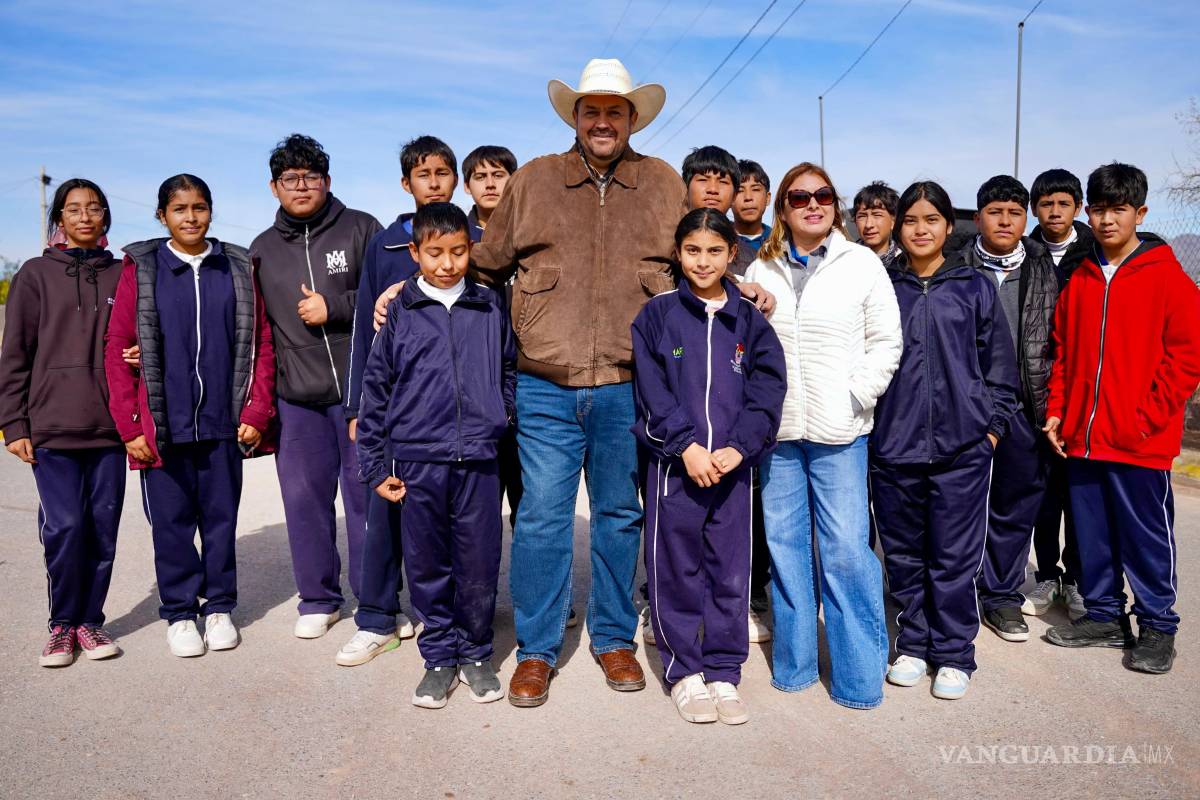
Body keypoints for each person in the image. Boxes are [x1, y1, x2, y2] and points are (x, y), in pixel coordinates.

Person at [743, 163, 902, 709]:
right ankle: (794, 667)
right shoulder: (760, 269)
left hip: (840, 432)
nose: (814, 204)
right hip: (781, 434)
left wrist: (858, 394)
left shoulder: (861, 264)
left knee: (845, 553)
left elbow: (887, 340)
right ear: (782, 209)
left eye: (824, 195)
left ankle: (858, 677)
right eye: (800, 197)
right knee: (786, 551)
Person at [104, 174, 276, 658]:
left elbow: (261, 342)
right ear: (162, 216)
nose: (191, 217)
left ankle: (219, 607)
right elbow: (117, 348)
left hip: (224, 420)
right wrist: (131, 426)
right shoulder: (142, 267)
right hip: (164, 422)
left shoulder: (237, 266)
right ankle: (180, 612)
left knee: (220, 519)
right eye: (180, 209)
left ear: (211, 211)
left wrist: (256, 409)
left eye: (200, 207)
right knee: (172, 523)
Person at [355, 203, 516, 706]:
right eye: (435, 253)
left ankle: (475, 652)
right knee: (427, 563)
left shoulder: (489, 306)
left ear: (471, 249)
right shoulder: (400, 311)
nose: (447, 264)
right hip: (419, 459)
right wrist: (375, 465)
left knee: (478, 560)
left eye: (458, 252)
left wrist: (500, 413)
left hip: (479, 460)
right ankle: (439, 655)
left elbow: (508, 368)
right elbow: (376, 388)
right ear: (415, 252)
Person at [1044, 162, 1200, 675]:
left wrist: (1147, 417)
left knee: (1146, 536)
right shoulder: (1082, 278)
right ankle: (1106, 616)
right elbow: (1064, 355)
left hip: (1139, 440)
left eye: (1119, 209)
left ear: (1140, 212)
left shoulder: (1169, 277)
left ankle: (1158, 626)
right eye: (1100, 209)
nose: (1108, 220)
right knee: (1094, 535)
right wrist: (1057, 412)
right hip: (1084, 438)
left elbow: (1186, 359)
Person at [633, 208, 786, 725]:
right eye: (693, 250)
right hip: (678, 469)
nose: (703, 261)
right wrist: (686, 448)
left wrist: (741, 447)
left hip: (732, 468)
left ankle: (723, 670)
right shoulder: (656, 315)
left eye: (714, 250)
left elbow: (767, 390)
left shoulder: (750, 318)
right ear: (678, 253)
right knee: (675, 570)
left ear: (732, 255)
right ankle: (685, 672)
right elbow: (651, 392)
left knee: (729, 570)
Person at [870, 181, 1019, 700]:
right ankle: (914, 644)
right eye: (910, 220)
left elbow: (1000, 365)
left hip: (963, 448)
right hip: (894, 445)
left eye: (931, 220)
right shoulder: (882, 286)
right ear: (897, 226)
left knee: (954, 556)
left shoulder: (973, 286)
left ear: (947, 227)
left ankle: (955, 653)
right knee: (906, 554)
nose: (920, 229)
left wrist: (992, 428)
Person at [250, 134, 383, 640]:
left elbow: (388, 297)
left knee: (366, 498)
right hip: (297, 398)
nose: (301, 186)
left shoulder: (362, 228)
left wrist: (336, 306)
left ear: (327, 181)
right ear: (274, 186)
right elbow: (252, 325)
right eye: (290, 179)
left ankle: (376, 602)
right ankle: (318, 599)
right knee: (304, 500)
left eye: (310, 177)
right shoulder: (262, 248)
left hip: (360, 393)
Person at [340, 134, 459, 660]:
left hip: (458, 406)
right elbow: (365, 332)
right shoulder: (386, 247)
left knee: (458, 514)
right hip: (396, 404)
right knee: (385, 505)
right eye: (423, 175)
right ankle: (377, 616)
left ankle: (449, 614)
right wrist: (358, 407)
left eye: (442, 173)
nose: (433, 184)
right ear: (406, 183)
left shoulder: (472, 238)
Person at [0, 179, 126, 667]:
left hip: (111, 429)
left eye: (94, 208)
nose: (85, 216)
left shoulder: (121, 275)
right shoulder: (34, 274)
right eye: (73, 209)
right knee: (67, 526)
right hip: (51, 427)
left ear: (105, 217)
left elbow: (135, 338)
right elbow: (14, 356)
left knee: (102, 528)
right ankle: (60, 624)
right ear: (60, 218)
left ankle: (90, 622)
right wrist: (14, 422)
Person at [961, 175, 1064, 643]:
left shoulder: (1046, 269)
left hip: (1025, 407)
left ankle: (1001, 597)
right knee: (957, 505)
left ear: (1026, 219)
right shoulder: (956, 264)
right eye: (995, 211)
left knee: (1013, 506)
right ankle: (956, 590)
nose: (1005, 220)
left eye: (1015, 212)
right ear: (979, 216)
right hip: (963, 407)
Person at [1024, 167, 1093, 618]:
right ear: (1035, 209)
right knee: (1043, 494)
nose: (1054, 211)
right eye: (1045, 204)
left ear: (1077, 207)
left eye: (1062, 203)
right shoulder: (1026, 253)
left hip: (1081, 387)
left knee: (1081, 496)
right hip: (1036, 389)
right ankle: (1047, 575)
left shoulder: (1092, 252)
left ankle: (1080, 581)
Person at [462, 144, 524, 530]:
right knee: (476, 506)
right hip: (473, 384)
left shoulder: (531, 232)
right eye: (480, 176)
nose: (490, 183)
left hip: (528, 379)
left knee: (529, 501)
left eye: (498, 174)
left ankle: (529, 587)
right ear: (467, 186)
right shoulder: (454, 236)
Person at [852, 181, 902, 267]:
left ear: (893, 221)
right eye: (862, 216)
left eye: (877, 215)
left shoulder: (905, 264)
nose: (868, 225)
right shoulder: (845, 262)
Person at [733, 159, 772, 266]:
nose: (748, 197)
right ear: (729, 197)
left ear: (768, 198)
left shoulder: (782, 243)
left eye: (755, 189)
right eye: (740, 191)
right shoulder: (718, 240)